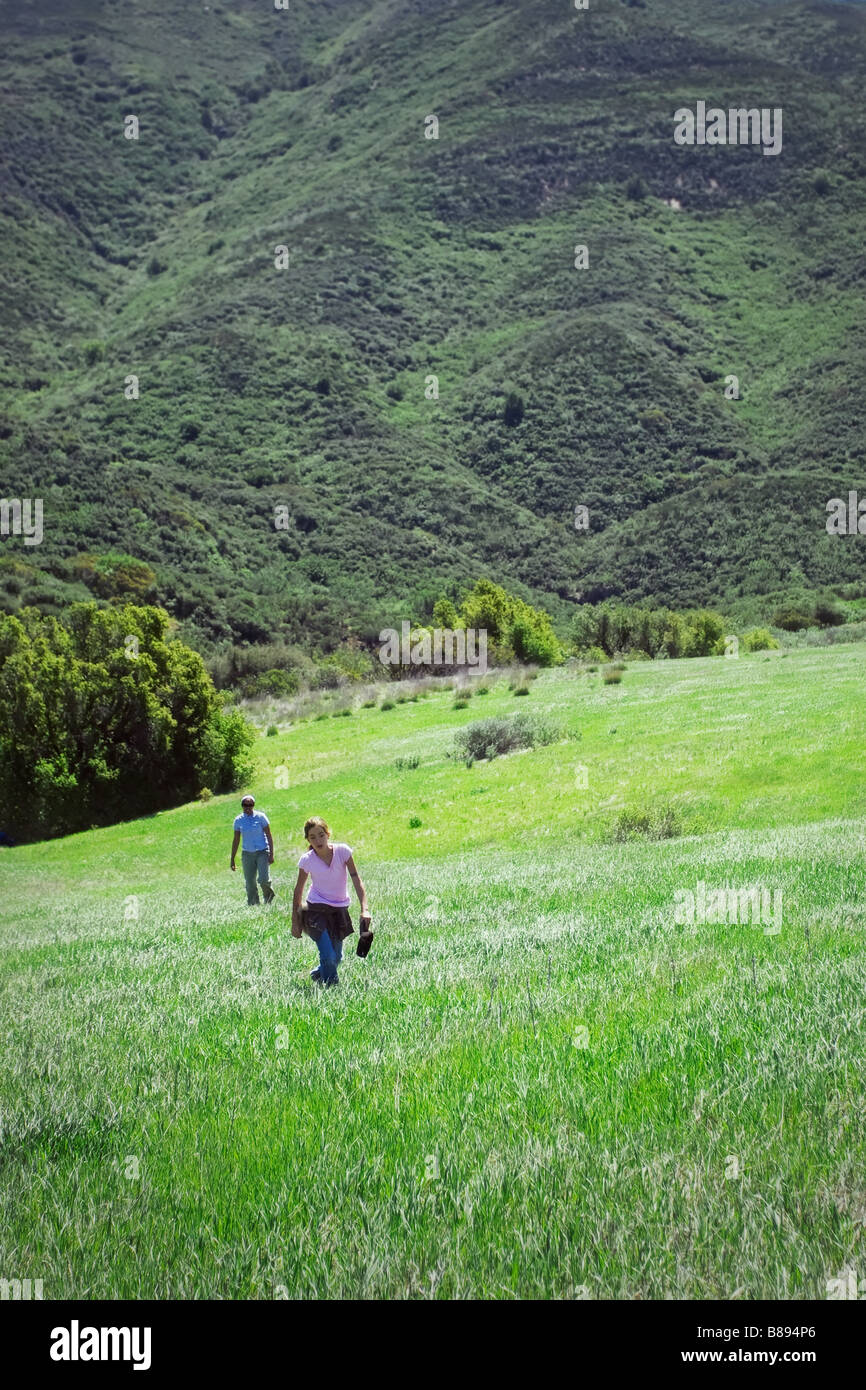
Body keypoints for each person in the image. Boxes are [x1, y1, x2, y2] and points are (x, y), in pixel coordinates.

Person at [292, 816, 371, 987]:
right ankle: (331, 989)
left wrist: (364, 909)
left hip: (339, 910)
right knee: (327, 955)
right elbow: (298, 891)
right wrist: (295, 922)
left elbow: (357, 880)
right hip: (315, 910)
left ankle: (317, 974)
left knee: (337, 957)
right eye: (312, 837)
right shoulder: (307, 860)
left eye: (321, 835)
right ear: (308, 840)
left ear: (328, 834)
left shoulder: (343, 852)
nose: (318, 840)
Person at [230, 795, 275, 905]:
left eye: (250, 805)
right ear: (242, 806)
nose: (248, 807)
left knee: (264, 879)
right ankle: (253, 903)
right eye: (245, 805)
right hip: (247, 854)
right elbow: (236, 840)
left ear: (253, 805)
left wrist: (271, 854)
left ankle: (268, 899)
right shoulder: (238, 820)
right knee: (250, 882)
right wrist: (232, 859)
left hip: (262, 852)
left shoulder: (261, 817)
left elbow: (269, 835)